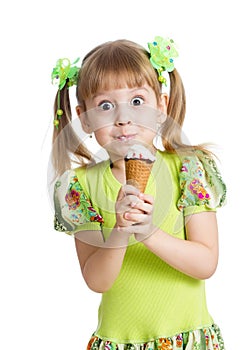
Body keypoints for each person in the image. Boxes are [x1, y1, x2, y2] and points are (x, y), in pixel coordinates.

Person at [51, 36, 227, 349]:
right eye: (105, 106)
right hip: (121, 341)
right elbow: (97, 281)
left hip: (188, 338)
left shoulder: (188, 168)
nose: (123, 118)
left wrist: (149, 233)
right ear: (84, 117)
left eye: (136, 101)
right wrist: (120, 231)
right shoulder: (80, 186)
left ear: (161, 105)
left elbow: (206, 263)